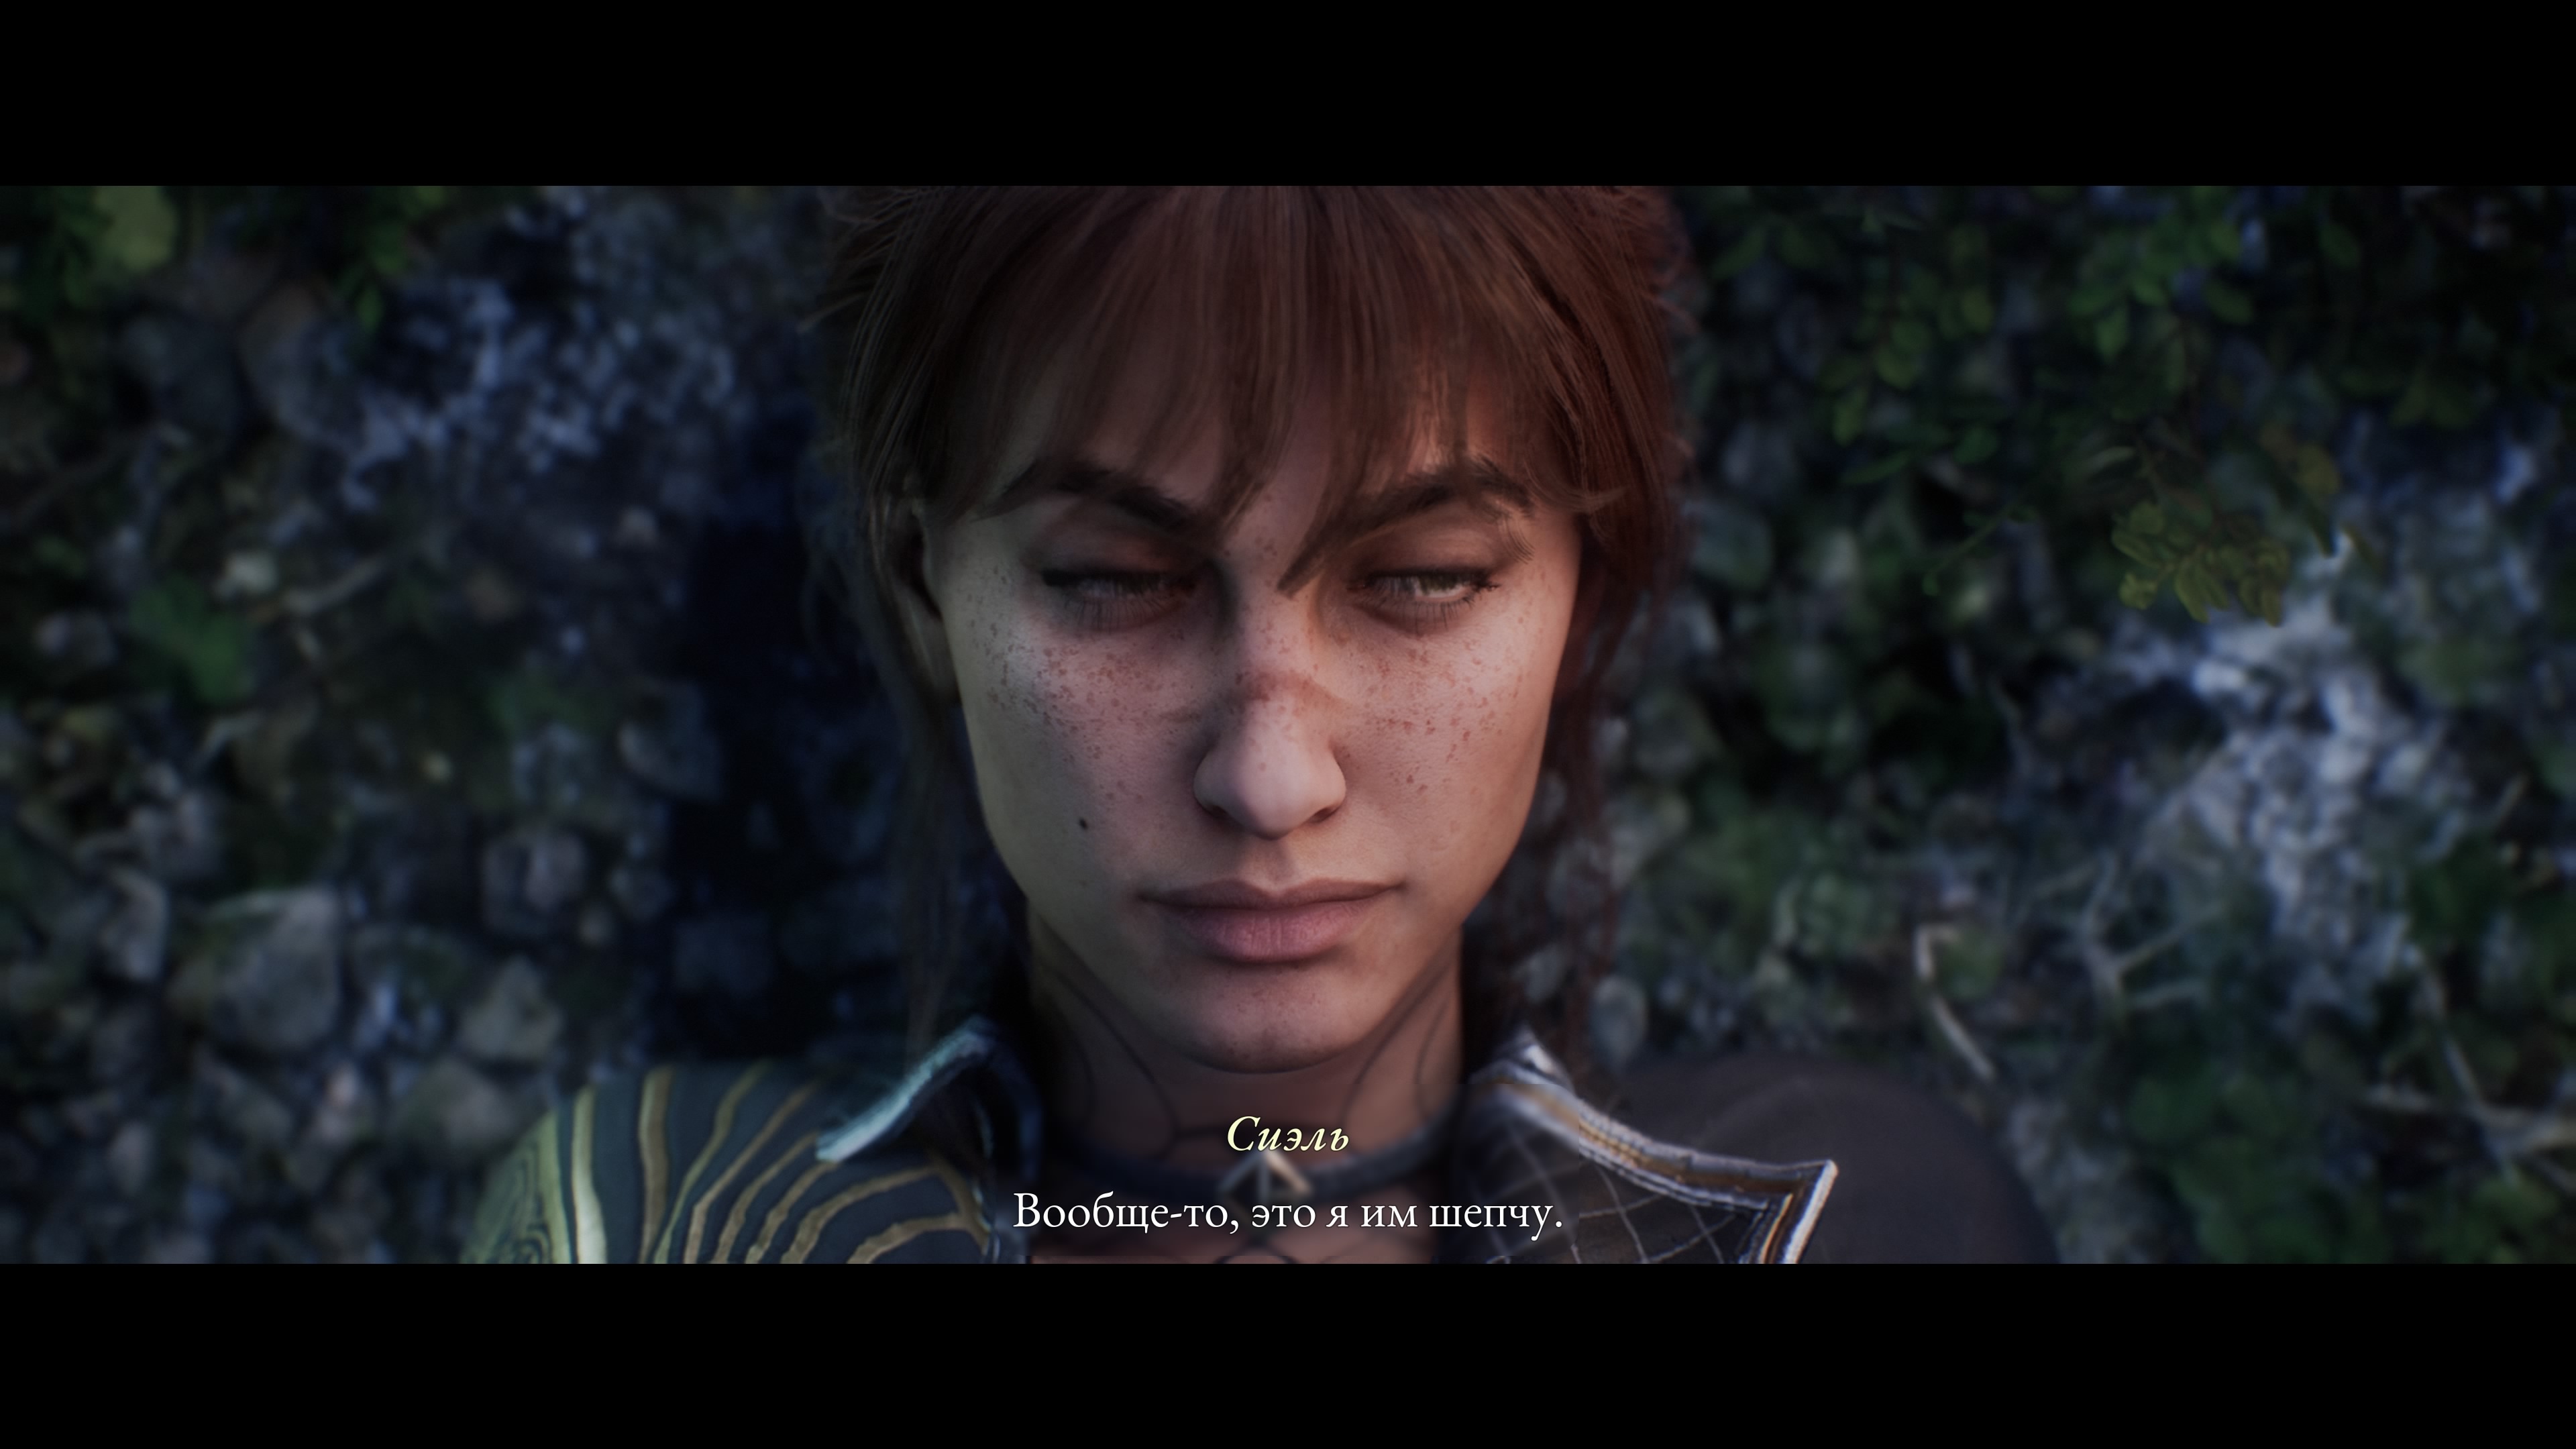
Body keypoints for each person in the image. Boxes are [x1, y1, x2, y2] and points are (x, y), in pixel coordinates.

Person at [464, 187, 2055, 1263]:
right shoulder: (656, 1218)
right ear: (921, 581)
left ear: (1590, 586)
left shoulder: (1860, 1219)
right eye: (1115, 581)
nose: (1271, 776)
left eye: (1422, 579)